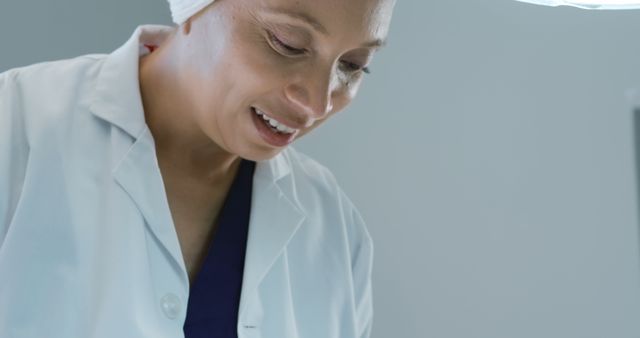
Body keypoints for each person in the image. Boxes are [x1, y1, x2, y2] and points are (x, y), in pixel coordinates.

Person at [0, 0, 396, 337]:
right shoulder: (16, 127)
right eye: (287, 44)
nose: (317, 102)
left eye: (353, 65)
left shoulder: (335, 232)